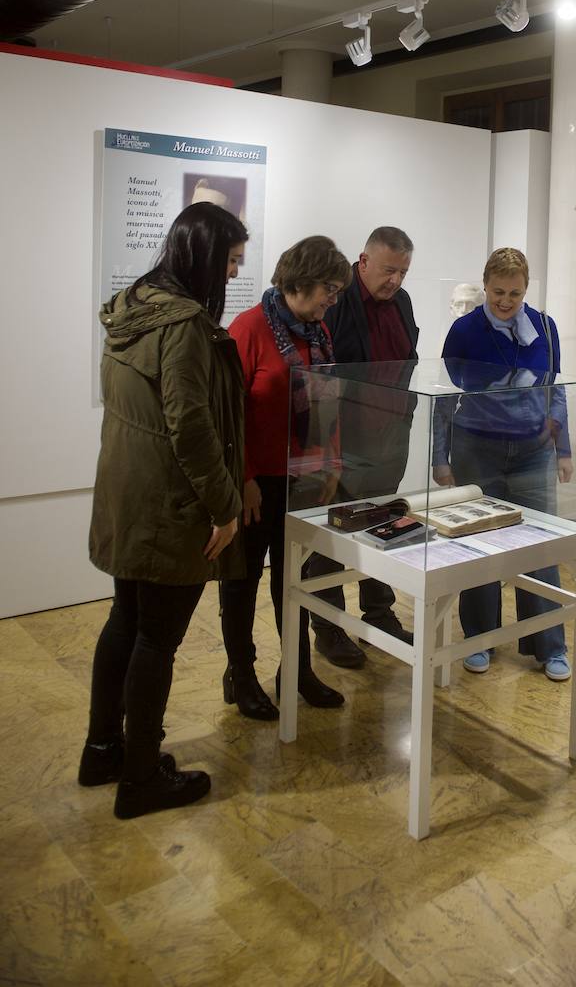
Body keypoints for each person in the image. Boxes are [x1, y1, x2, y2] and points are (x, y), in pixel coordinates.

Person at [80, 203, 249, 820]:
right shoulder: (181, 326)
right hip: (169, 502)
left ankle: (104, 751)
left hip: (129, 492)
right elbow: (191, 426)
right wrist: (225, 507)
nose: (232, 275)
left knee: (126, 620)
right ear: (203, 257)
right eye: (229, 261)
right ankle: (141, 778)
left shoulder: (135, 309)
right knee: (157, 637)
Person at [222, 236, 352, 719]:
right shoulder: (248, 329)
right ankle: (241, 673)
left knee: (292, 582)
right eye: (328, 289)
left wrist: (331, 461)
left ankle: (296, 670)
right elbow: (228, 415)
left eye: (337, 292)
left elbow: (328, 402)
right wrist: (245, 478)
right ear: (300, 281)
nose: (332, 301)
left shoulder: (318, 335)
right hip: (257, 484)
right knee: (242, 581)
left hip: (302, 479)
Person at [434, 247, 572, 682]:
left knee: (541, 546)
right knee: (479, 545)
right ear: (486, 285)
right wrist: (440, 457)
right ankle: (479, 639)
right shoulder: (464, 331)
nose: (506, 301)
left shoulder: (545, 329)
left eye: (515, 293)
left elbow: (555, 390)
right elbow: (443, 398)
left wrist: (563, 447)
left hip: (533, 451)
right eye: (497, 292)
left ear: (526, 289)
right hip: (478, 449)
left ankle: (549, 645)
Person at [306, 226, 417, 666]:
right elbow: (320, 378)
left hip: (389, 441)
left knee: (381, 529)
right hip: (343, 445)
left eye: (404, 272)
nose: (395, 280)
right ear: (363, 262)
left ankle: (379, 616)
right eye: (389, 270)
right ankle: (328, 628)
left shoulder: (403, 303)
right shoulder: (337, 302)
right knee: (332, 538)